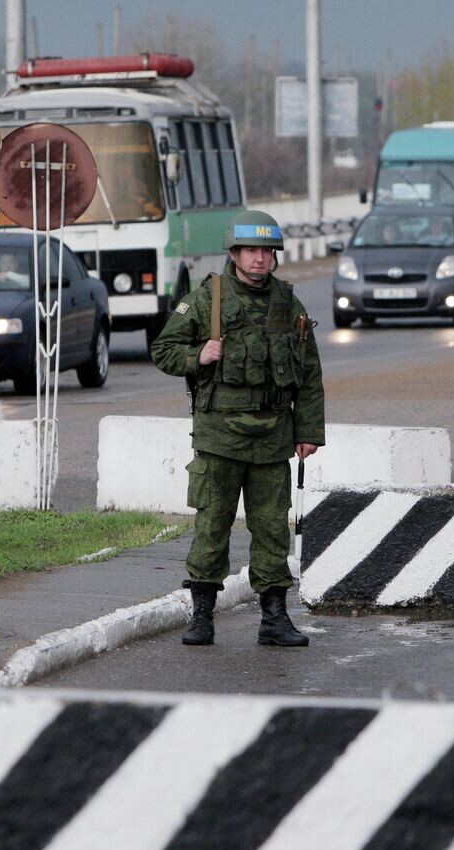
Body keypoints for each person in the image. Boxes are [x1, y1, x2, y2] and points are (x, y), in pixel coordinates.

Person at [151, 210, 325, 648]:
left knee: (271, 530)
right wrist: (198, 357)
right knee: (213, 527)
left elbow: (308, 373)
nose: (259, 259)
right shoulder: (208, 298)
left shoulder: (288, 303)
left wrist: (308, 432)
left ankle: (274, 619)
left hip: (272, 438)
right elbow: (164, 348)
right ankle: (202, 616)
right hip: (219, 437)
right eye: (251, 251)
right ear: (234, 253)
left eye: (266, 252)